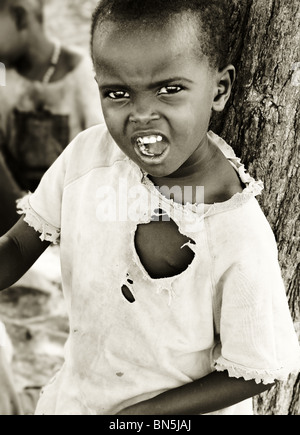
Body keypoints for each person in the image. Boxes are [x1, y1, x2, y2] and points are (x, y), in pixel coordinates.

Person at [0, 0, 299, 415]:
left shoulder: (233, 227)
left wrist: (137, 418)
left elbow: (258, 367)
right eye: (117, 93)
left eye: (169, 89)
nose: (141, 115)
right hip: (77, 400)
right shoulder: (89, 158)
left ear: (220, 89)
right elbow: (16, 249)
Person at [0, 0, 103, 194]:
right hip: (17, 210)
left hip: (74, 202)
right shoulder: (3, 78)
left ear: (21, 18)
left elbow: (100, 154)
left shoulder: (81, 75)